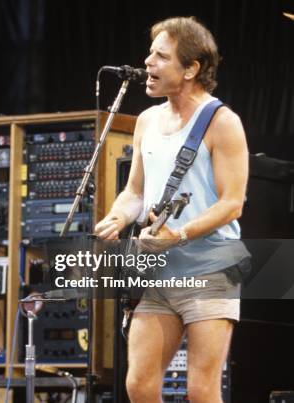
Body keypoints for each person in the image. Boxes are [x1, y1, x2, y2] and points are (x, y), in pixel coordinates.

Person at [94, 17, 249, 403]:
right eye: (150, 53)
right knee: (139, 386)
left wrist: (178, 235)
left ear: (192, 68)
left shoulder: (222, 122)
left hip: (211, 268)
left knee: (201, 391)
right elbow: (135, 191)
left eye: (161, 56)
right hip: (158, 273)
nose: (148, 62)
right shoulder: (146, 120)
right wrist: (118, 215)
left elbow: (233, 203)